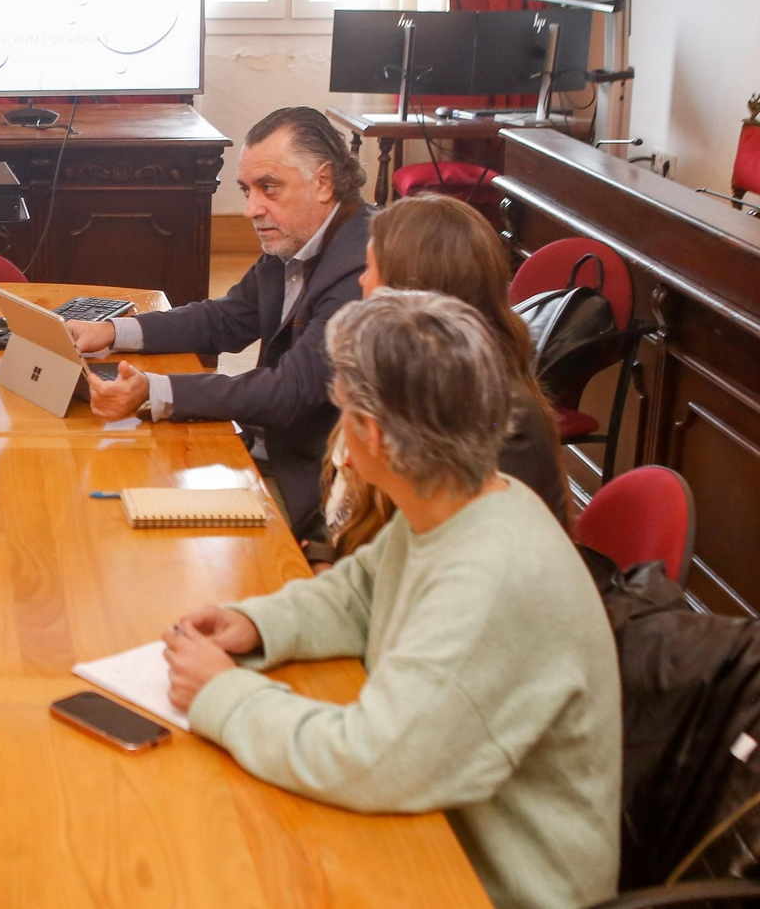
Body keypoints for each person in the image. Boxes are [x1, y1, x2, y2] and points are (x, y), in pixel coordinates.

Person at [163, 291, 621, 909]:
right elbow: (361, 592)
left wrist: (223, 694)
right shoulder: (464, 496)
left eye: (342, 411)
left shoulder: (492, 576)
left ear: (370, 437)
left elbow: (374, 760)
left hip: (490, 884)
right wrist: (254, 624)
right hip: (437, 828)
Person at [69, 106, 371, 540]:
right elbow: (227, 318)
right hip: (261, 452)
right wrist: (114, 331)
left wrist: (154, 391)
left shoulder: (361, 266)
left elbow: (292, 391)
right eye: (247, 190)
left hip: (305, 487)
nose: (251, 209)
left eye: (269, 188)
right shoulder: (301, 238)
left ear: (323, 182)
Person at [306, 192, 568, 569]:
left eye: (370, 268)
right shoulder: (403, 375)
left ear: (411, 296)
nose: (360, 282)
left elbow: (441, 570)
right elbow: (344, 508)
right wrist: (320, 559)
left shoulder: (503, 422)